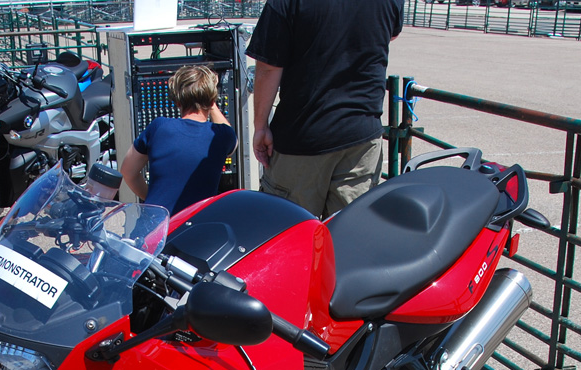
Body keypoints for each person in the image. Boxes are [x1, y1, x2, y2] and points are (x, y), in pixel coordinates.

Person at [245, 0, 404, 219]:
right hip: (361, 136)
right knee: (348, 235)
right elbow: (391, 33)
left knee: (290, 234)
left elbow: (269, 67)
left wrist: (260, 125)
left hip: (302, 137)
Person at [119, 65, 237, 215]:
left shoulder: (159, 127)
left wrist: (151, 199)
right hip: (196, 226)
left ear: (177, 102)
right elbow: (232, 138)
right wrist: (210, 103)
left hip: (155, 227)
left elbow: (127, 171)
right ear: (212, 99)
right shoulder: (222, 136)